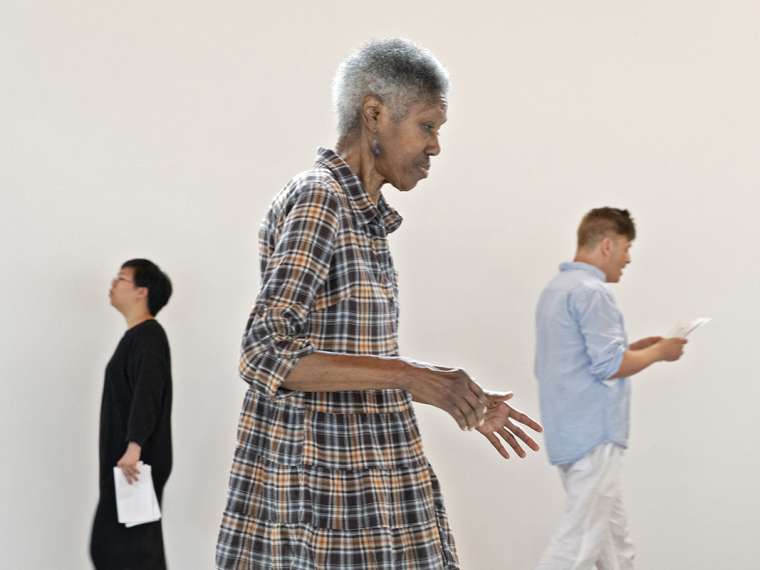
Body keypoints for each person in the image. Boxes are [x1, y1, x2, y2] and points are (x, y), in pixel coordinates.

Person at [216, 38, 543, 569]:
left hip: (369, 480)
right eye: (427, 126)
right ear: (374, 114)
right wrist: (412, 375)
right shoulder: (320, 199)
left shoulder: (362, 216)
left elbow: (351, 356)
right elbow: (263, 351)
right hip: (323, 492)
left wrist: (449, 390)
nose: (435, 146)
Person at [534, 208, 687, 569]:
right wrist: (660, 352)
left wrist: (635, 350)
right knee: (579, 542)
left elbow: (579, 362)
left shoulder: (556, 291)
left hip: (569, 430)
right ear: (607, 245)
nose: (628, 258)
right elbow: (609, 366)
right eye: (626, 247)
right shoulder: (591, 292)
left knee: (614, 544)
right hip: (594, 434)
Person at [90, 259, 173, 570]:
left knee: (129, 553)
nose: (113, 283)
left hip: (135, 466)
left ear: (142, 291)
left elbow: (148, 392)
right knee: (122, 550)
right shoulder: (137, 337)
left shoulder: (149, 336)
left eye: (121, 278)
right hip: (127, 463)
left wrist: (135, 446)